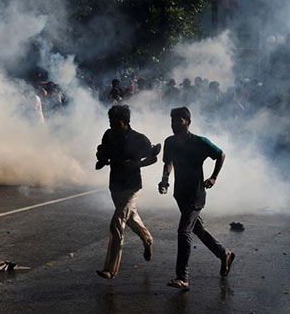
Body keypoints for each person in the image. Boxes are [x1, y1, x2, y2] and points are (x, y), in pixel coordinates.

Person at [158, 107, 235, 290]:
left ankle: (182, 278)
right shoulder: (170, 142)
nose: (175, 125)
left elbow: (220, 154)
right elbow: (168, 163)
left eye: (179, 121)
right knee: (197, 229)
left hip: (196, 194)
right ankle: (224, 254)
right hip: (180, 193)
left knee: (184, 231)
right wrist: (164, 180)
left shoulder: (200, 142)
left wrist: (214, 177)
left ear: (188, 122)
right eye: (173, 121)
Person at [95, 105, 160, 279]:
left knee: (117, 222)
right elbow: (102, 151)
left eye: (114, 121)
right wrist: (101, 159)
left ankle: (110, 269)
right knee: (130, 217)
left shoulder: (139, 139)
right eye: (109, 121)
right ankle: (147, 240)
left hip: (132, 186)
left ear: (123, 122)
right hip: (115, 184)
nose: (111, 124)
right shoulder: (109, 135)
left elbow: (153, 157)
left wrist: (137, 164)